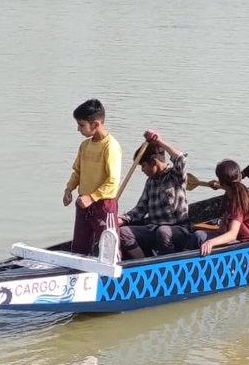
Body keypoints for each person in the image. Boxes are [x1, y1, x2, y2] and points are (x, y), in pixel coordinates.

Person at [117, 130, 191, 259]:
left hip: (178, 230)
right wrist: (119, 220)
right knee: (123, 232)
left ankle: (168, 265)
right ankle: (144, 262)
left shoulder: (174, 176)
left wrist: (159, 142)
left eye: (144, 166)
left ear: (154, 163)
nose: (142, 170)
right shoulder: (150, 182)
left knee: (163, 232)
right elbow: (139, 210)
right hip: (153, 229)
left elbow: (180, 158)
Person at [62, 99, 122, 255]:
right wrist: (69, 189)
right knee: (79, 248)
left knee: (109, 249)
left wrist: (92, 197)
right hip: (83, 204)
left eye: (81, 125)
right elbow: (78, 172)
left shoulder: (111, 146)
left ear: (96, 124)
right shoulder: (85, 146)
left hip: (103, 205)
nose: (78, 129)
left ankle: (114, 277)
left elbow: (112, 181)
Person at [193, 159, 249, 256]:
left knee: (200, 237)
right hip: (236, 237)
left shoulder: (238, 200)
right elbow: (223, 228)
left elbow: (232, 234)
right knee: (199, 235)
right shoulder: (228, 194)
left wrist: (211, 242)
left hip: (246, 243)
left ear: (222, 182)